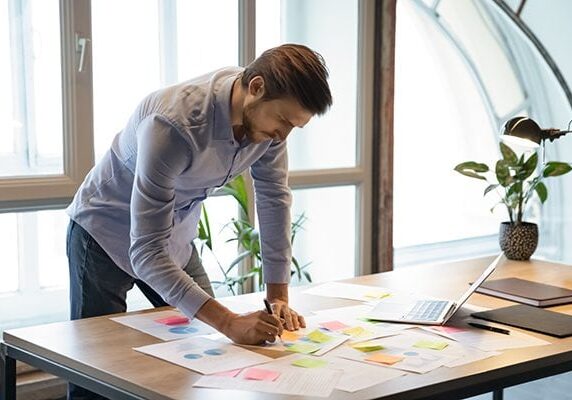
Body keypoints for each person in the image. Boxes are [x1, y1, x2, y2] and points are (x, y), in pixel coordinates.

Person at [65, 43, 332, 398]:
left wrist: (278, 297)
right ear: (256, 87)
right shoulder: (172, 125)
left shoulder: (268, 127)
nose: (283, 137)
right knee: (96, 373)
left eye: (295, 126)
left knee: (205, 356)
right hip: (103, 232)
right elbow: (145, 251)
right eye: (283, 121)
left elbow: (273, 199)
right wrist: (229, 321)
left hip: (173, 235)